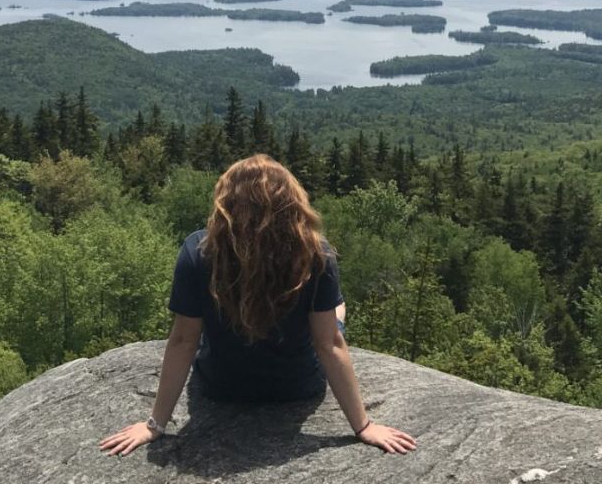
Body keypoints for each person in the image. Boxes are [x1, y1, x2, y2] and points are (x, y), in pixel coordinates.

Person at [99, 154, 417, 457]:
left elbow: (184, 340)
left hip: (221, 386)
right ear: (291, 201)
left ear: (226, 202)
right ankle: (339, 315)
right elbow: (329, 345)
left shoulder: (199, 251)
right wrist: (363, 426)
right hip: (296, 386)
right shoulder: (315, 253)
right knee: (336, 315)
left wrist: (155, 424)